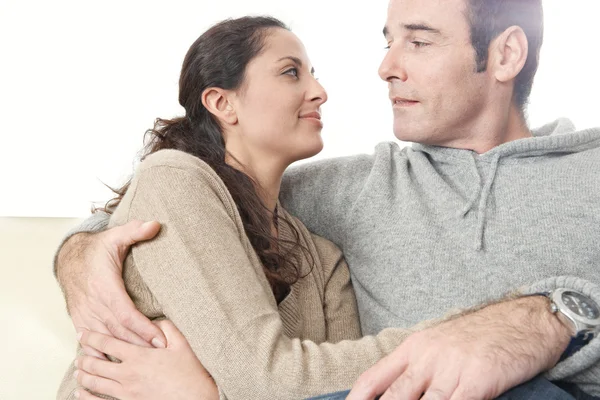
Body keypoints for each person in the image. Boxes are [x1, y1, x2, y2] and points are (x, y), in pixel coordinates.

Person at [55, 0, 600, 398]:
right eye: (388, 42)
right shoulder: (355, 189)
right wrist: (78, 255)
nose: (386, 67)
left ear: (505, 53)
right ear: (222, 102)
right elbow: (157, 207)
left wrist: (550, 319)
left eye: (419, 40)